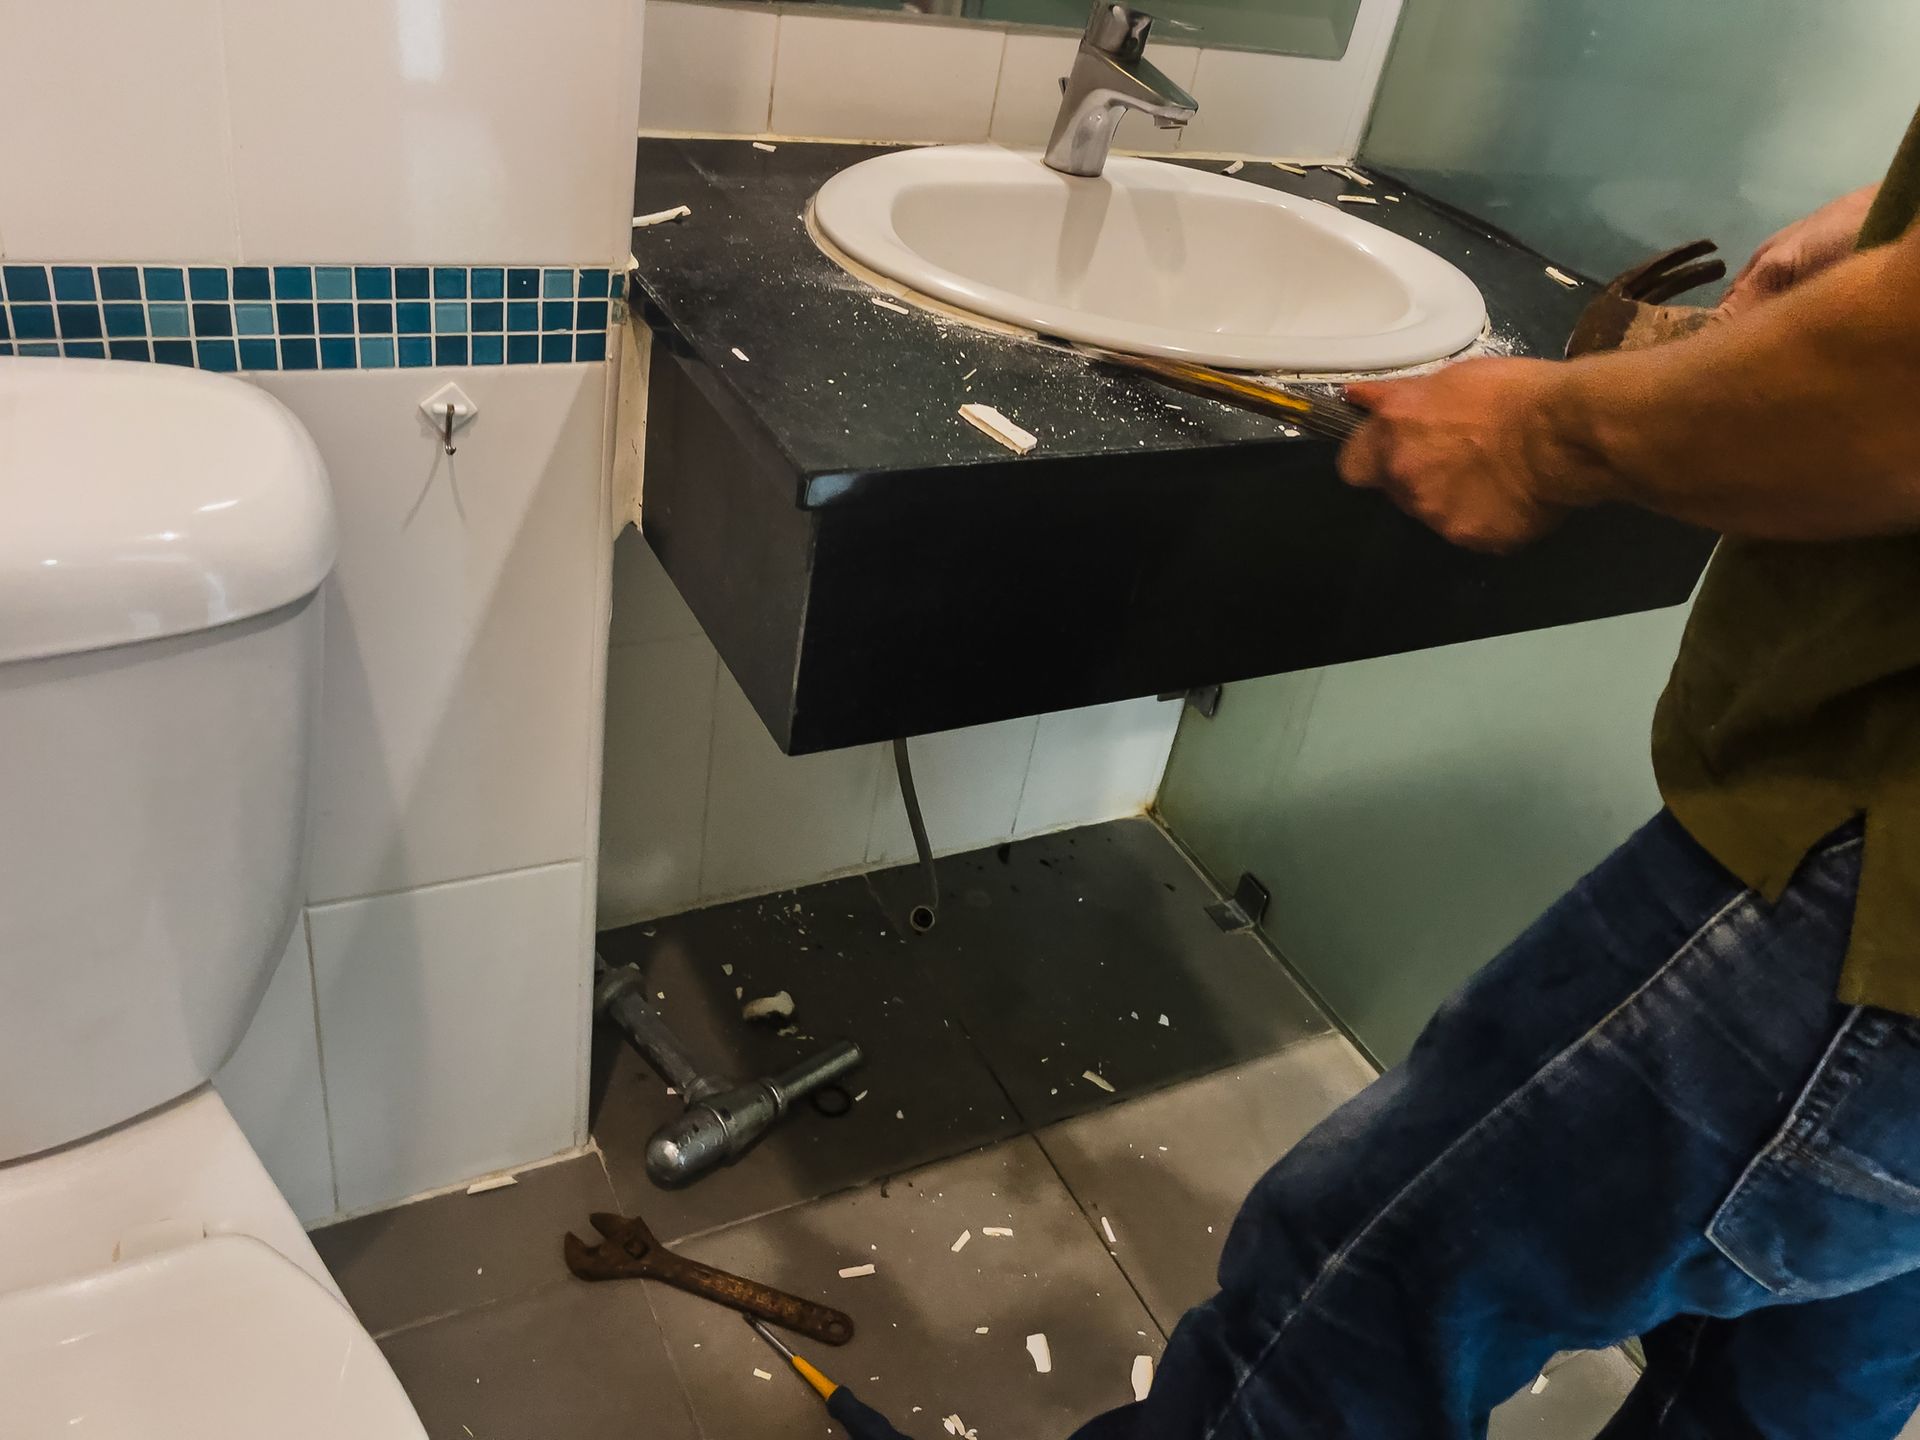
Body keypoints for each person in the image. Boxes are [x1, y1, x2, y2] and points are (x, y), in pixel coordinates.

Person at [1068, 113, 1920, 1440]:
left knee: (1351, 1304)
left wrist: (1547, 440)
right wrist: (1891, 228)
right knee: (1784, 1400)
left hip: (1878, 886)